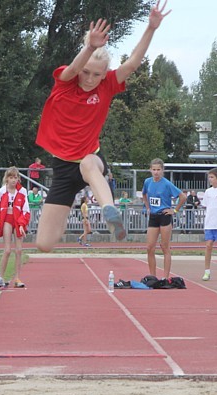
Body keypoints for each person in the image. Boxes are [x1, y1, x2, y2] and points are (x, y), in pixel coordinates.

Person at [34, 1, 171, 252]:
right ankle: (65, 215)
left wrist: (151, 28)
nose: (89, 79)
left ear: (104, 74)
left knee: (88, 163)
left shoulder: (107, 84)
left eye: (96, 75)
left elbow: (132, 64)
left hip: (91, 159)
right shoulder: (66, 82)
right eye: (87, 73)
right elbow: (75, 67)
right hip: (63, 167)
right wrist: (89, 47)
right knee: (44, 244)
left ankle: (110, 210)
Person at [142, 158, 186, 280]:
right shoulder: (147, 182)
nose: (156, 172)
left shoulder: (167, 184)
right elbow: (144, 194)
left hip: (164, 216)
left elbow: (183, 197)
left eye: (158, 170)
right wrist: (147, 207)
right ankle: (152, 276)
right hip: (153, 216)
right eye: (154, 169)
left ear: (162, 170)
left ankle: (165, 278)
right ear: (150, 170)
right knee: (150, 247)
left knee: (164, 246)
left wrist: (175, 210)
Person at [0, 167, 30, 287]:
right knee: (7, 250)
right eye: (11, 177)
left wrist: (22, 224)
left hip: (18, 221)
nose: (13, 180)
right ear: (7, 178)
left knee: (19, 250)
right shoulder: (1, 192)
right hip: (7, 220)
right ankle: (1, 278)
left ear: (18, 179)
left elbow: (26, 210)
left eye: (15, 177)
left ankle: (17, 278)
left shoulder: (22, 192)